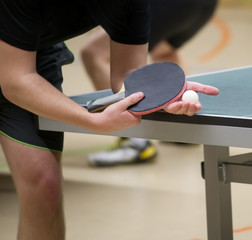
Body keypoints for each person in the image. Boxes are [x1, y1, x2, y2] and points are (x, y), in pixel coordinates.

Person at [0, 1, 219, 239]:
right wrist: (90, 120)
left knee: (45, 186)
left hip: (32, 55)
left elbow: (127, 76)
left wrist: (161, 95)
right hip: (17, 67)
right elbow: (15, 81)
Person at [81, 0, 218, 166]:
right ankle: (182, 130)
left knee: (94, 52)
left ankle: (135, 142)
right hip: (202, 5)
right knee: (164, 51)